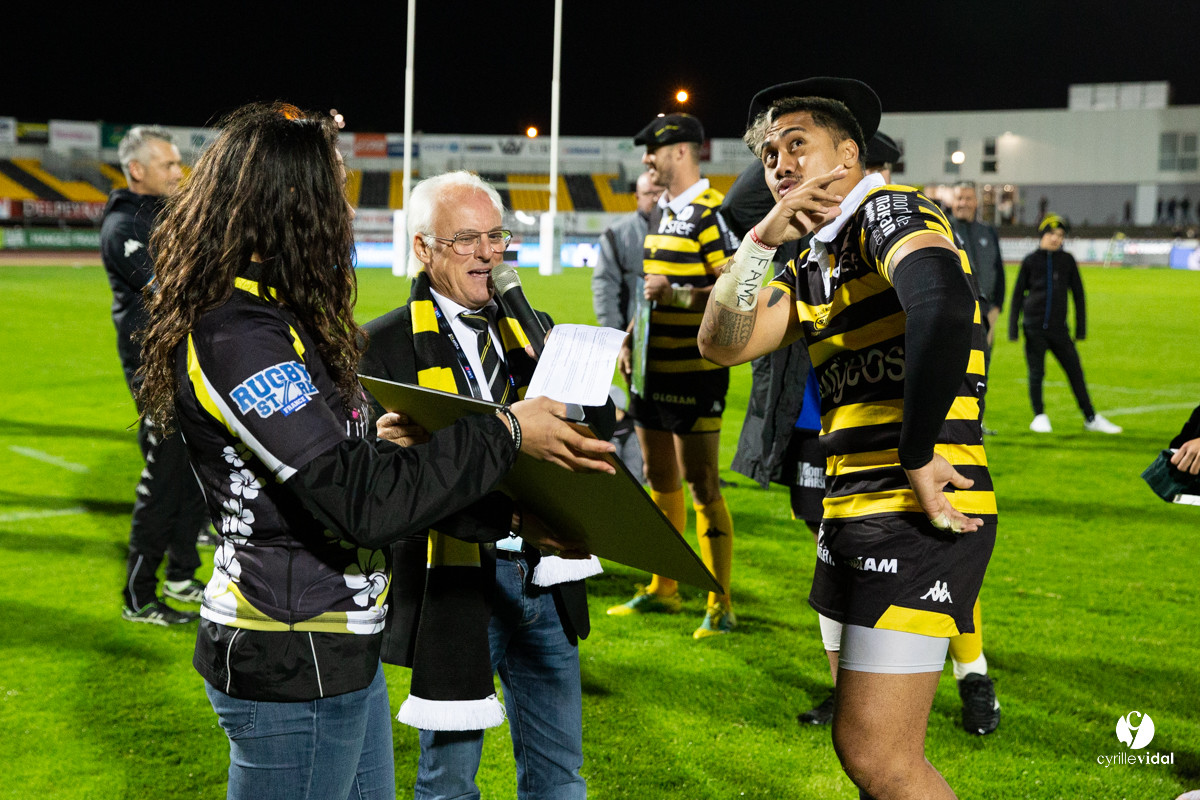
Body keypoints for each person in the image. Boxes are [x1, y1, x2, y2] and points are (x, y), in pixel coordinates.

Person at [135, 102, 614, 800]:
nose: (344, 214)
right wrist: (506, 429)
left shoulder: (281, 317)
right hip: (288, 649)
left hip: (339, 649)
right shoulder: (239, 333)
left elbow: (354, 475)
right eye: (333, 192)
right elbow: (355, 501)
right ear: (289, 204)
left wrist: (502, 515)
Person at [697, 77, 997, 800]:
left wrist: (920, 451)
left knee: (879, 757)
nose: (780, 164)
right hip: (851, 513)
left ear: (850, 153)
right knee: (871, 757)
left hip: (914, 513)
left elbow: (946, 305)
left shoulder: (888, 212)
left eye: (797, 143)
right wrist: (763, 239)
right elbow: (721, 344)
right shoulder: (809, 258)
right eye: (769, 154)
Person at [358, 170, 602, 800]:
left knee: (561, 774)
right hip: (455, 581)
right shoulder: (380, 347)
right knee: (448, 783)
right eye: (468, 239)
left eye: (498, 236)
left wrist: (586, 400)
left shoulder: (534, 326)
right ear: (422, 248)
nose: (490, 253)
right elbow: (382, 489)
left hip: (546, 578)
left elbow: (585, 443)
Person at [608, 112, 739, 639]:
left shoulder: (713, 214)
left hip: (696, 375)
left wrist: (680, 295)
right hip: (649, 370)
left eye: (654, 151)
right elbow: (651, 292)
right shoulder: (662, 214)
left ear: (681, 152)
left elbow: (737, 290)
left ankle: (721, 602)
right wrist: (629, 335)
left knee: (703, 485)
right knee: (659, 482)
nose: (646, 160)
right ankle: (665, 588)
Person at [100, 125, 209, 625]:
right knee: (163, 479)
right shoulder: (122, 226)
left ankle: (182, 576)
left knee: (193, 471)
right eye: (167, 164)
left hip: (187, 360)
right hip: (156, 371)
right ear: (137, 170)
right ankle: (138, 596)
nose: (177, 171)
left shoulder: (165, 215)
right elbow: (169, 291)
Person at [1008, 215, 1122, 434]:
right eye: (1052, 234)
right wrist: (1014, 328)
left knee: (1075, 372)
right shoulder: (1031, 261)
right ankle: (1039, 415)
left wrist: (1081, 329)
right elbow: (1016, 296)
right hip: (1033, 328)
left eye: (1060, 235)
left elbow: (1078, 295)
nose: (1056, 239)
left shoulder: (1067, 260)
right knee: (1036, 373)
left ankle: (1090, 417)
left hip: (1060, 330)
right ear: (1042, 235)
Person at [592, 171, 662, 330]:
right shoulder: (616, 234)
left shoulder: (683, 229)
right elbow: (605, 286)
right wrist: (614, 333)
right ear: (637, 196)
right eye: (649, 193)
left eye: (660, 192)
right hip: (632, 333)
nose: (656, 198)